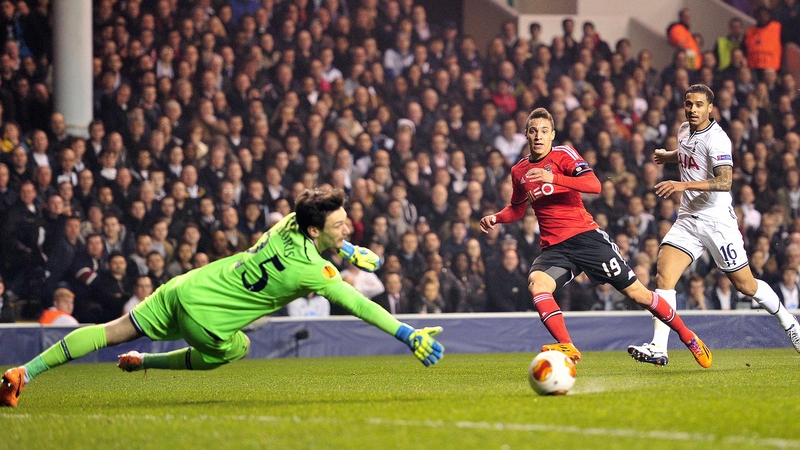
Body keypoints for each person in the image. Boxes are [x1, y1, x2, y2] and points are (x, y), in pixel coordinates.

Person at [1, 188, 444, 408]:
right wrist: (407, 334)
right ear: (314, 229)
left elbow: (315, 228)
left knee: (107, 333)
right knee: (239, 347)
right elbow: (364, 307)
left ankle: (23, 373)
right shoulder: (316, 272)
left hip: (186, 287)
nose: (347, 228)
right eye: (341, 225)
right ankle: (148, 362)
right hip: (207, 324)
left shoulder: (289, 221)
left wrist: (347, 248)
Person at [479, 107, 712, 367]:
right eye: (533, 131)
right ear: (526, 134)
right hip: (556, 249)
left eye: (544, 131)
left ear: (552, 135)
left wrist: (553, 177)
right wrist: (496, 217)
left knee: (639, 295)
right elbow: (517, 208)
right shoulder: (519, 171)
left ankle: (688, 336)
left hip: (586, 238)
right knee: (537, 283)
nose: (538, 136)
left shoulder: (563, 155)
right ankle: (567, 346)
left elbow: (595, 185)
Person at [628, 84, 800, 367]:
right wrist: (669, 156)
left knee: (745, 284)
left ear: (710, 108)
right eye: (688, 104)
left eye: (698, 104)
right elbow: (689, 153)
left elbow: (724, 181)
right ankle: (659, 347)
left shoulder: (718, 139)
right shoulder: (684, 129)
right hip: (688, 218)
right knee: (664, 277)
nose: (692, 109)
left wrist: (681, 184)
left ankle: (789, 323)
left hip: (717, 221)